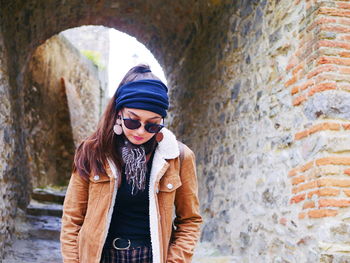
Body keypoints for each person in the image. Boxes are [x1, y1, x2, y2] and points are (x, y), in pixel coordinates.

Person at [60, 64, 202, 263]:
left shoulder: (178, 157)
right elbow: (72, 219)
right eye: (132, 121)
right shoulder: (93, 152)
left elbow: (190, 220)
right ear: (119, 114)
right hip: (99, 257)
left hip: (149, 257)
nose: (141, 131)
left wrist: (174, 260)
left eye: (152, 124)